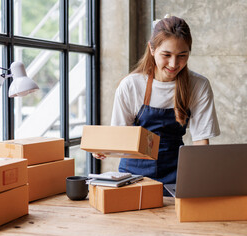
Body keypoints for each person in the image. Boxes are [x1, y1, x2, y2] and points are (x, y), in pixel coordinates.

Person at [93, 15, 220, 195]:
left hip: (177, 176)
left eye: (182, 56)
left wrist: (199, 183)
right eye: (166, 55)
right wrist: (103, 149)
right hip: (133, 178)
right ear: (152, 49)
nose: (174, 64)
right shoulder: (131, 85)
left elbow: (201, 142)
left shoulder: (198, 85)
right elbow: (120, 137)